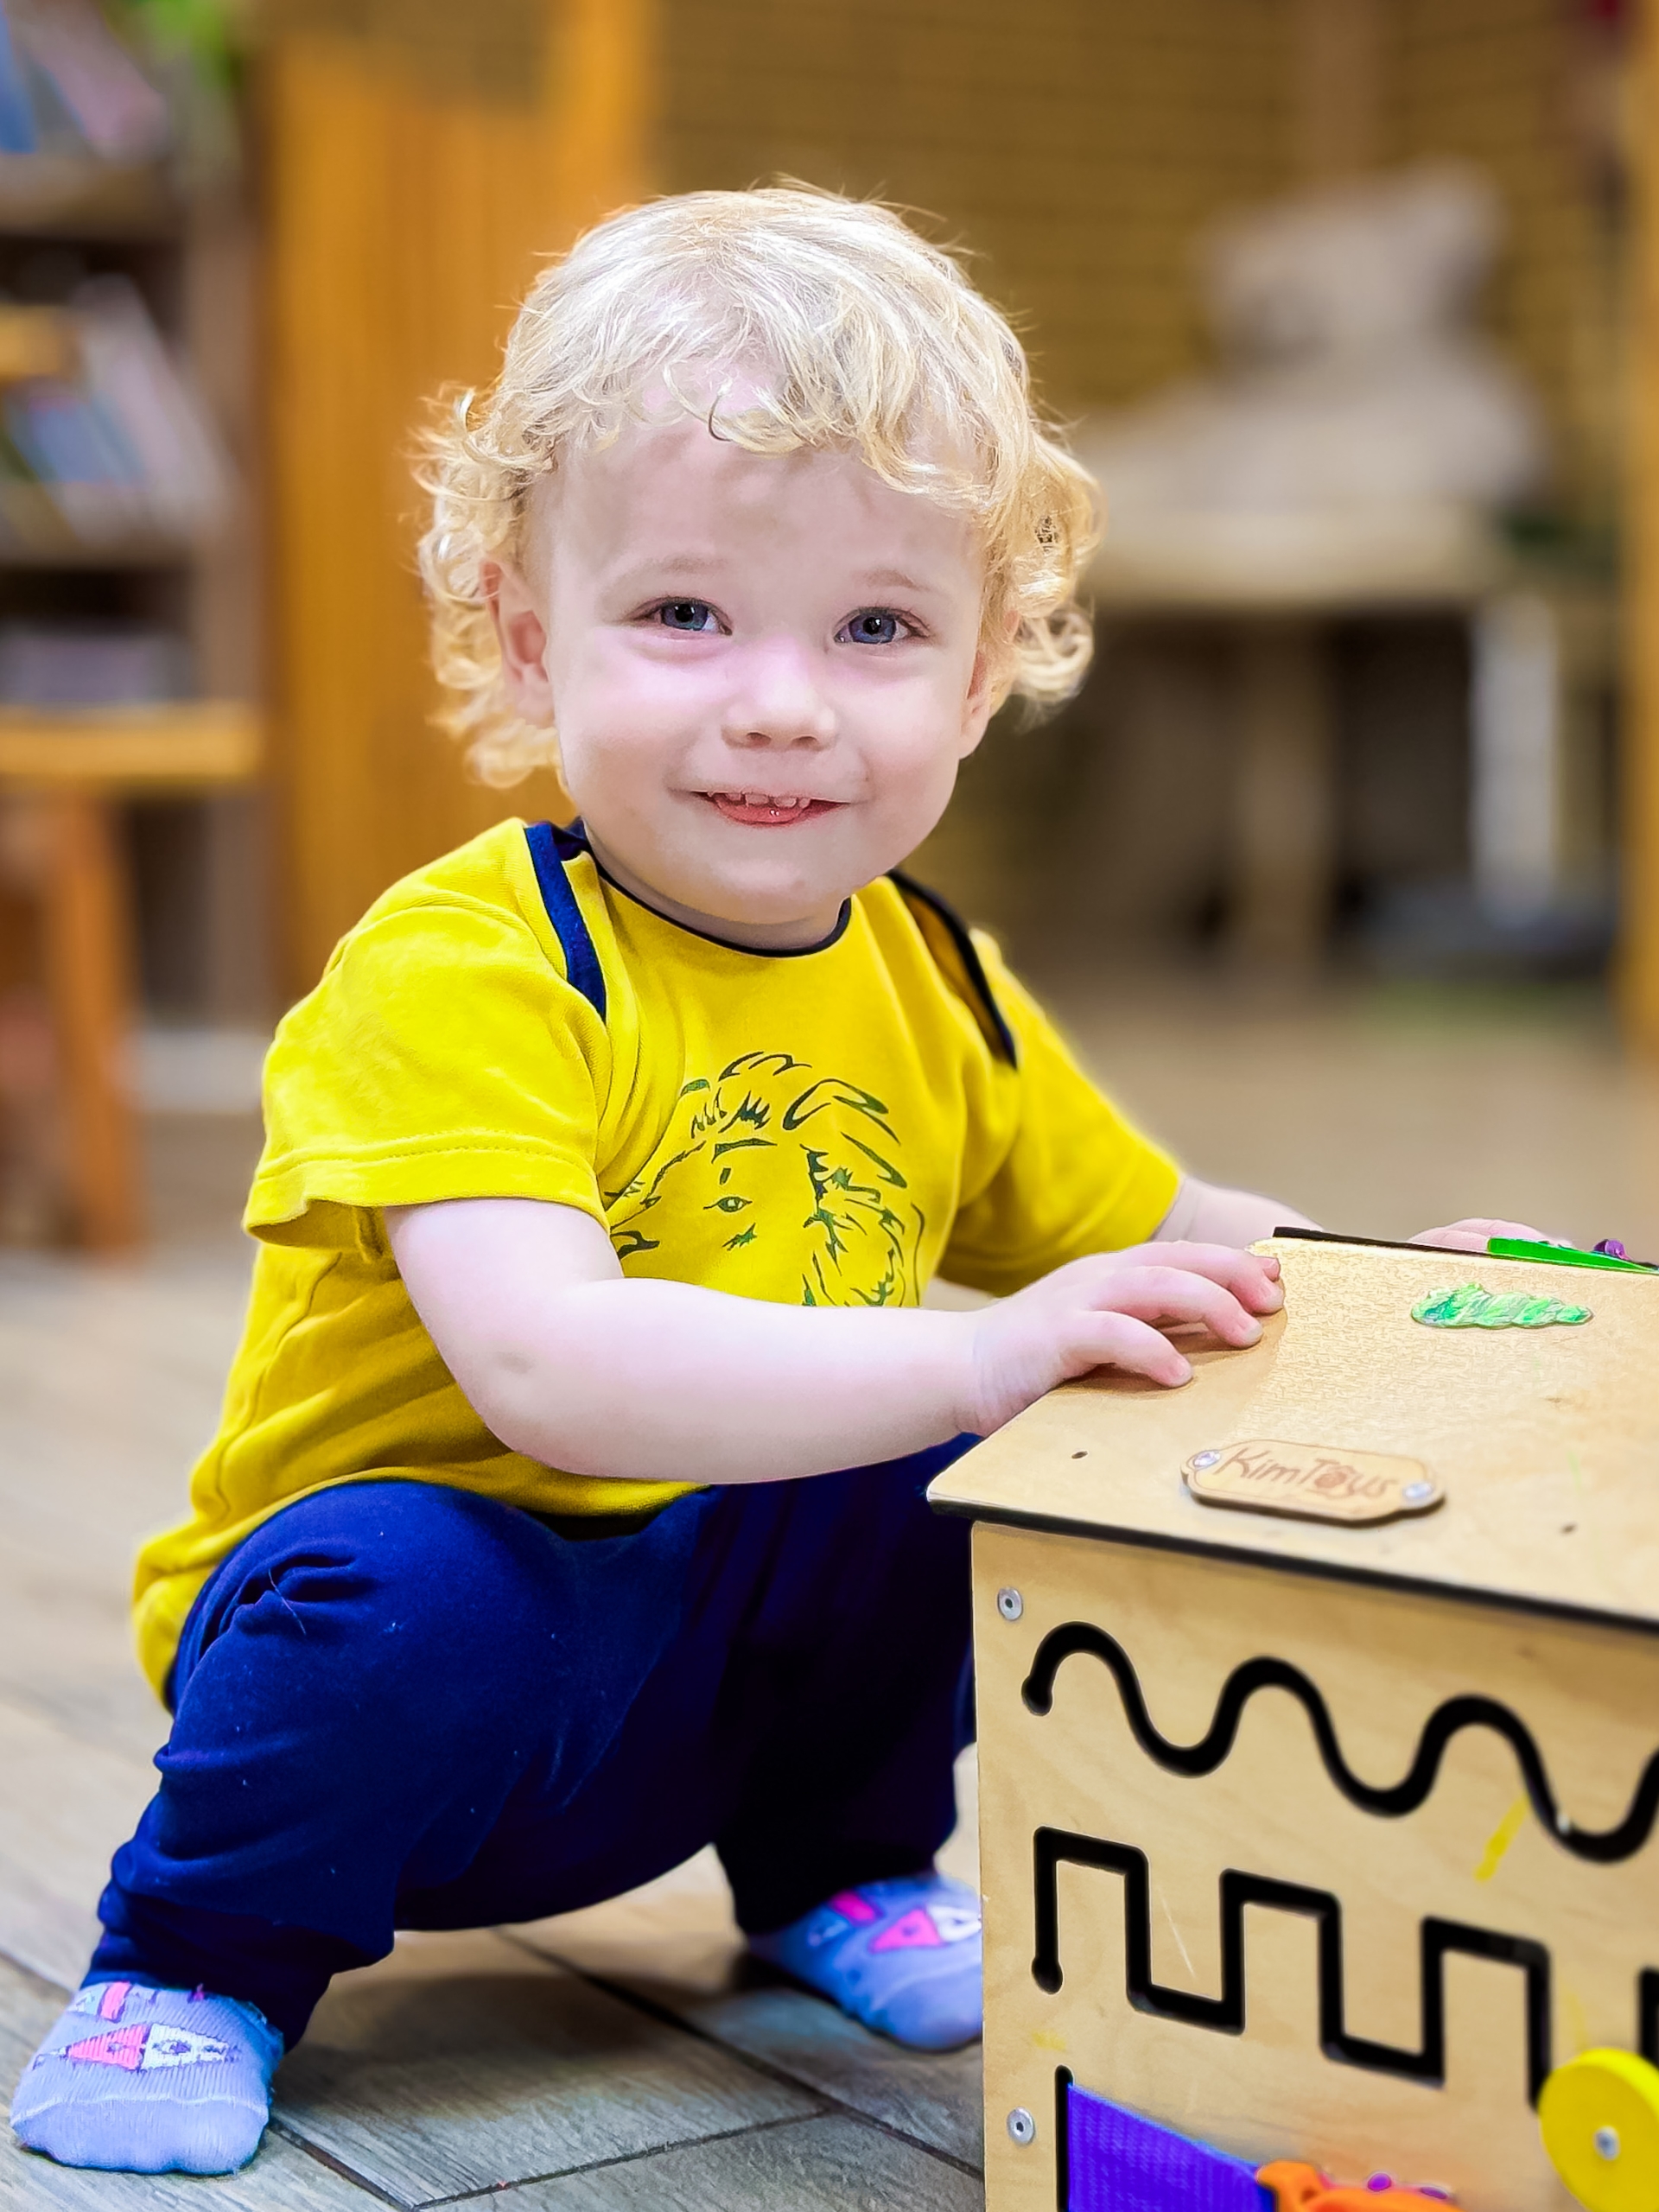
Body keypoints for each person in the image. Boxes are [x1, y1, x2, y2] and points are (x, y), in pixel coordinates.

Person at [10, 187, 1515, 2177]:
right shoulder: (464, 965)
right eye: (687, 614)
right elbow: (549, 1365)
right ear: (531, 639)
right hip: (426, 1688)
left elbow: (1166, 1230)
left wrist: (1408, 1281)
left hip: (708, 1677)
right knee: (396, 1588)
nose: (784, 700)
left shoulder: (930, 973)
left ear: (980, 675)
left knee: (969, 1462)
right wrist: (977, 1356)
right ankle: (193, 1957)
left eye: (876, 627)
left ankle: (839, 1860)